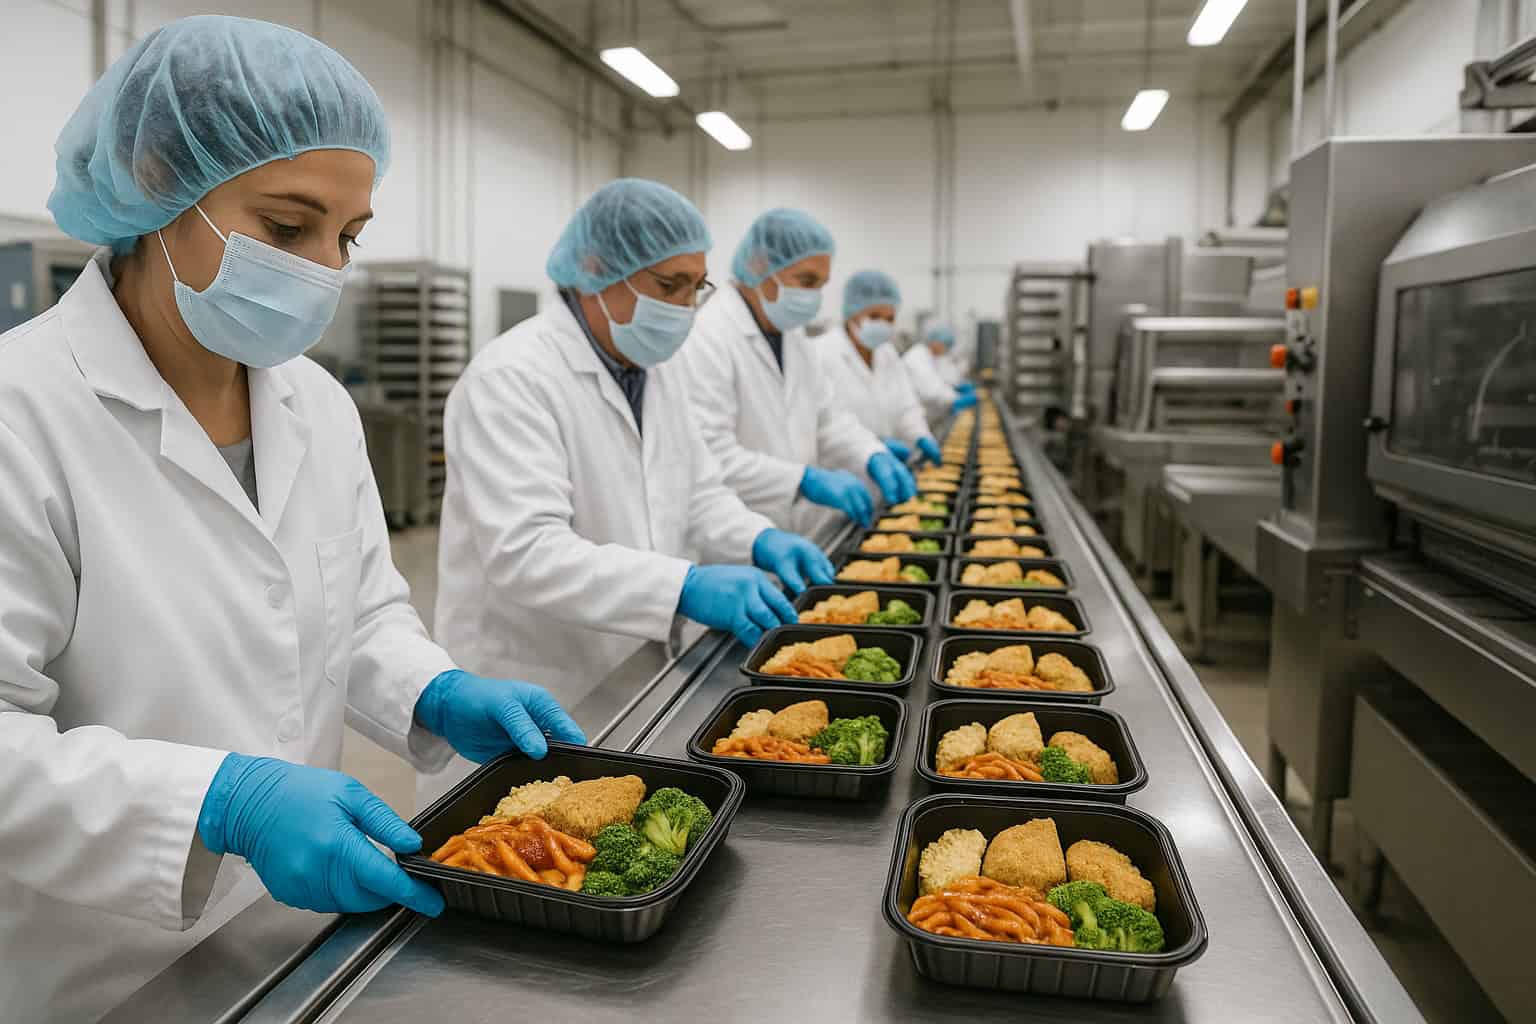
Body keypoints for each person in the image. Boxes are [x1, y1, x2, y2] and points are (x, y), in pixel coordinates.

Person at [0, 18, 582, 1022]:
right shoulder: (23, 412)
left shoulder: (313, 403)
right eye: (285, 227)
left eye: (346, 236)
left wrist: (432, 687)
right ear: (156, 180)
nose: (323, 267)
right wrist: (220, 800)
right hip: (100, 970)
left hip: (293, 942)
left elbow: (358, 614)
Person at [425, 180, 833, 803]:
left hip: (633, 673)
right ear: (594, 271)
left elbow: (698, 492)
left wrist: (759, 536)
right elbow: (527, 553)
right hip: (535, 685)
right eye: (668, 286)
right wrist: (684, 586)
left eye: (695, 287)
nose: (686, 307)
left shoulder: (655, 371)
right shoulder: (511, 379)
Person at [674, 209, 916, 536]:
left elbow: (828, 417)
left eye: (821, 284)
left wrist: (870, 453)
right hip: (738, 542)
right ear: (760, 266)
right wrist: (803, 480)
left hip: (803, 530)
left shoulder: (793, 335)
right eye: (806, 281)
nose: (814, 296)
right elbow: (710, 456)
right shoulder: (707, 336)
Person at [814, 270, 941, 466]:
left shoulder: (887, 353)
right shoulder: (820, 353)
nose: (883, 324)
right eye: (874, 316)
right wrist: (871, 447)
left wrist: (920, 435)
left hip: (887, 473)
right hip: (841, 475)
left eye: (890, 319)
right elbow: (823, 424)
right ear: (851, 312)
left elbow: (906, 406)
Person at [904, 322, 976, 422]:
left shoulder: (932, 357)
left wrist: (955, 387)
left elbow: (942, 380)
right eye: (945, 344)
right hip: (914, 418)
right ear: (935, 342)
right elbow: (931, 391)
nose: (946, 349)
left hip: (928, 416)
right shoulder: (916, 358)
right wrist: (957, 399)